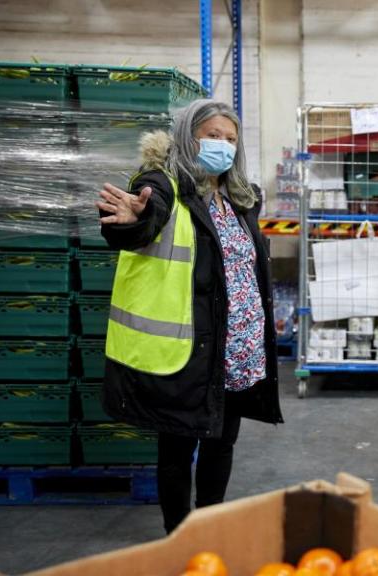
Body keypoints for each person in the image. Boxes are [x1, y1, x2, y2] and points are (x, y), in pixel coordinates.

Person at [96, 99, 283, 534]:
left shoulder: (240, 198)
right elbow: (145, 215)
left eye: (231, 139)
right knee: (178, 449)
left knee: (221, 444)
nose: (222, 145)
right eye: (213, 135)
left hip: (237, 350)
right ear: (188, 136)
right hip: (190, 350)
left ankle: (210, 527)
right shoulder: (163, 184)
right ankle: (179, 536)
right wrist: (129, 221)